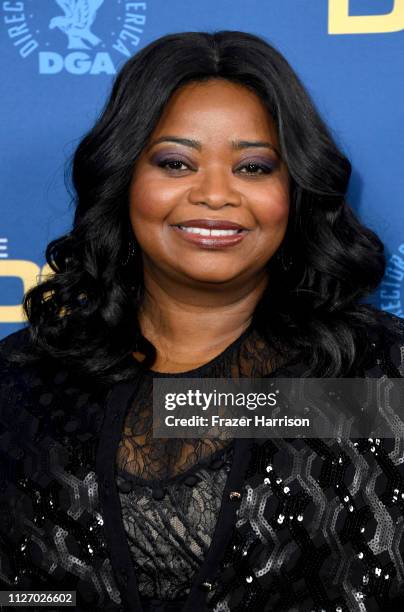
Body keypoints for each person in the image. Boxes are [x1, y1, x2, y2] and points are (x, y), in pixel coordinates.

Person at [1, 30, 404, 612]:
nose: (215, 194)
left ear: (294, 190)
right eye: (175, 162)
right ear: (124, 178)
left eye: (254, 167)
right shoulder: (23, 383)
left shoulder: (379, 375)